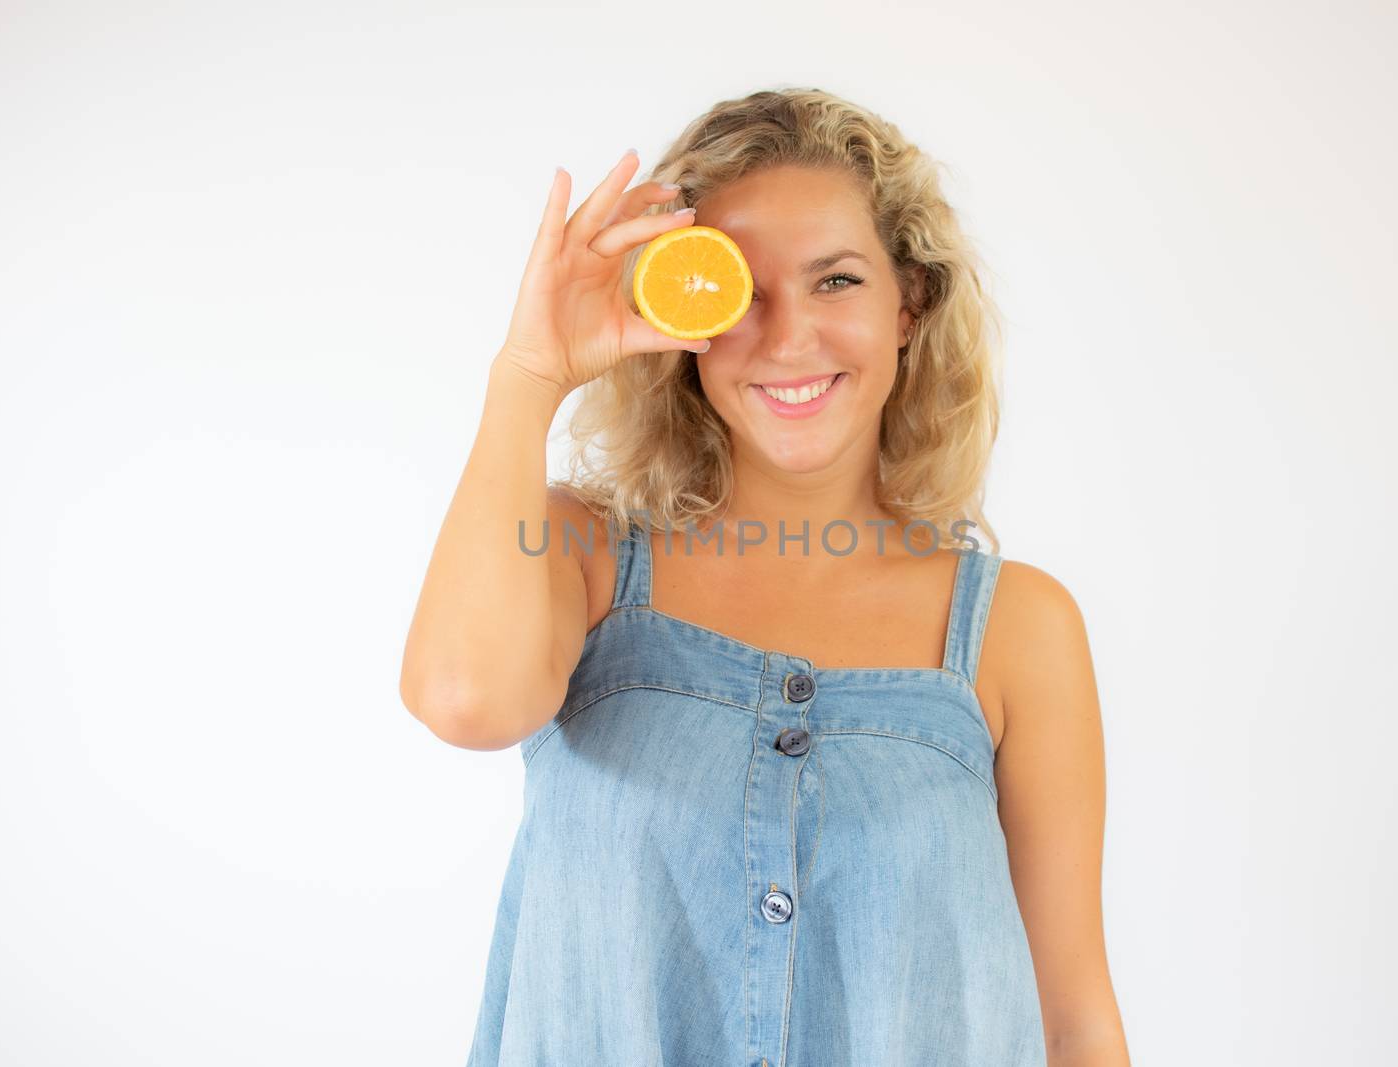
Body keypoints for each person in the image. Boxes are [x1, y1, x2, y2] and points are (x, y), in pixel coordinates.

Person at [400, 87, 1130, 1066]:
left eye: (834, 281)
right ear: (677, 313)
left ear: (908, 303)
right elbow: (461, 698)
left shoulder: (1016, 628)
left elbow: (1073, 1017)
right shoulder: (583, 556)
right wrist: (528, 372)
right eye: (737, 289)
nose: (787, 337)